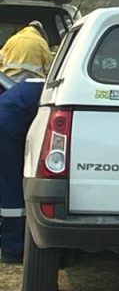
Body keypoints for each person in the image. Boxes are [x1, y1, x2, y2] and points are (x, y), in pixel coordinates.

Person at [0, 78, 44, 264]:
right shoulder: (61, 90)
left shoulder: (40, 85)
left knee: (7, 183)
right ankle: (13, 250)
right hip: (8, 125)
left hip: (9, 120)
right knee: (12, 189)